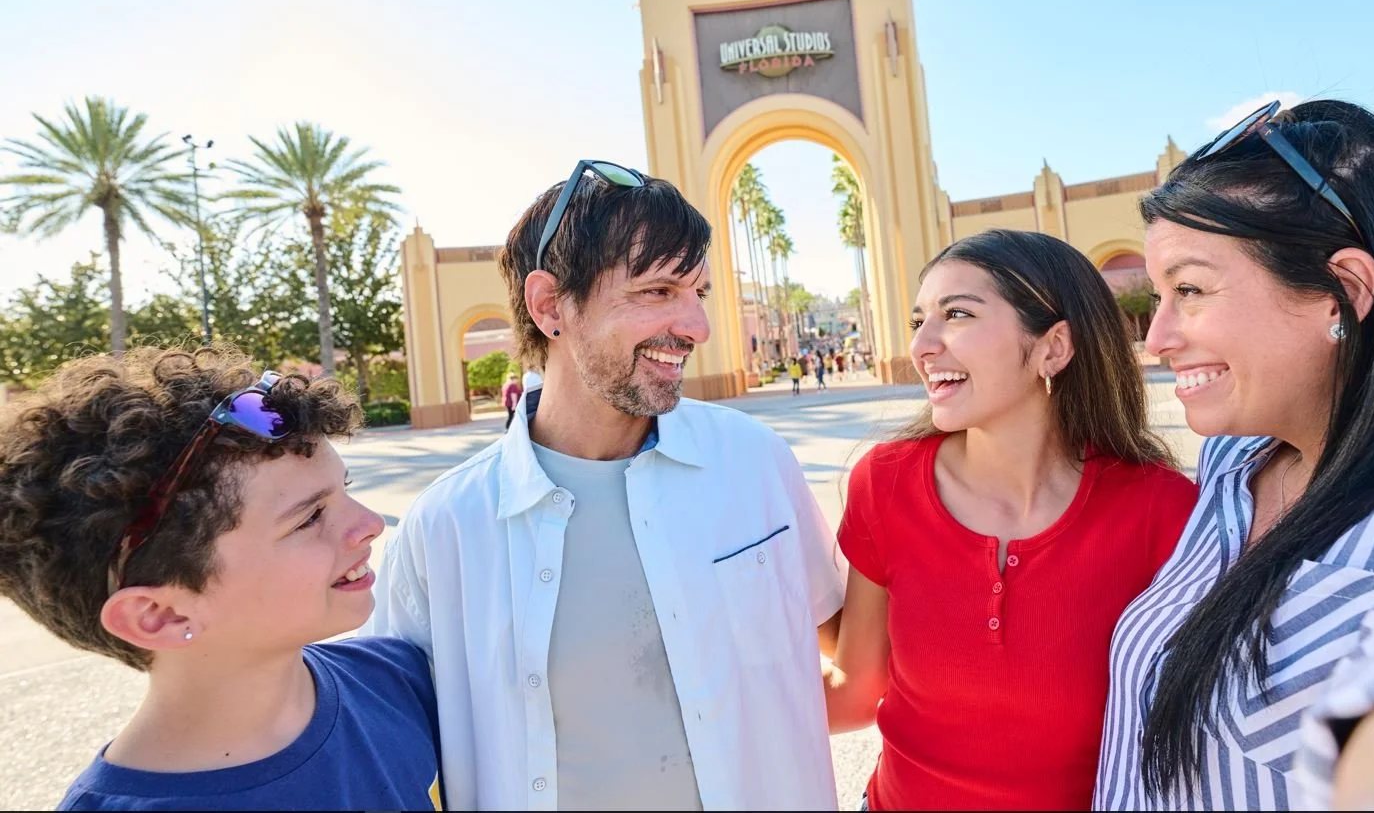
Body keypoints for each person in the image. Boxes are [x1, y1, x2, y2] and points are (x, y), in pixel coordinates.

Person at [1096, 99, 1374, 811]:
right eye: (1158, 296)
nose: (1157, 339)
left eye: (1189, 289)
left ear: (1344, 291)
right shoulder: (1236, 463)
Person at [365, 160, 844, 811]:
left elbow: (845, 645)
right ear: (549, 306)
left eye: (697, 292)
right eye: (655, 292)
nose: (696, 326)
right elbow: (379, 740)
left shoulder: (753, 461)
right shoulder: (446, 526)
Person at [824, 229, 1198, 811]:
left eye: (957, 314)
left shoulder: (1161, 510)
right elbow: (855, 693)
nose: (922, 345)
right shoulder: (884, 483)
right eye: (918, 321)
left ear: (1053, 348)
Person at [0, 348, 442, 811]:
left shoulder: (397, 681)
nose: (371, 523)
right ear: (160, 615)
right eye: (309, 517)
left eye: (344, 490)